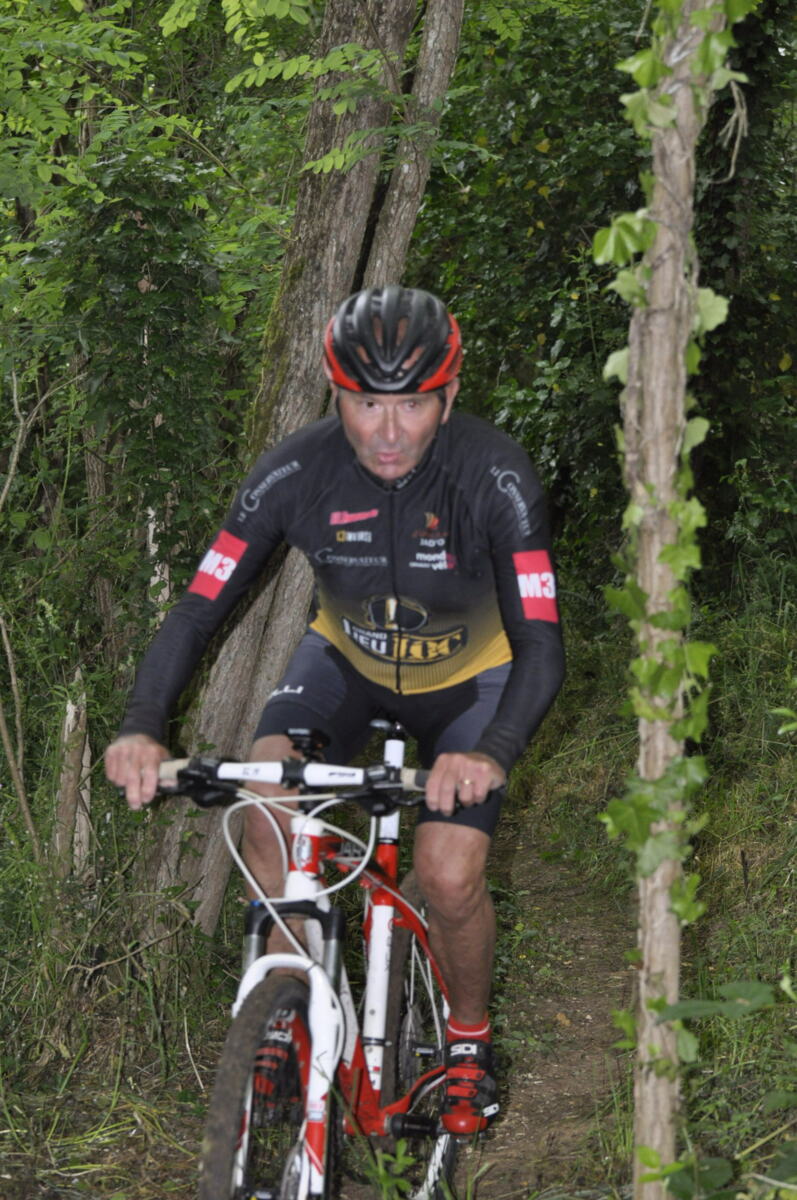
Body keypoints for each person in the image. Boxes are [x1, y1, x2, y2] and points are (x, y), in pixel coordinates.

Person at [105, 284, 565, 1135]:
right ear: (334, 393)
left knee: (447, 873)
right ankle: (287, 1011)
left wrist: (492, 750)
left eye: (412, 404)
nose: (387, 432)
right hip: (343, 667)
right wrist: (141, 725)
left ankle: (468, 1041)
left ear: (449, 395)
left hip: (472, 686)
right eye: (364, 403)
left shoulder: (493, 474)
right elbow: (198, 608)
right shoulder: (294, 471)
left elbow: (540, 640)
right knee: (266, 805)